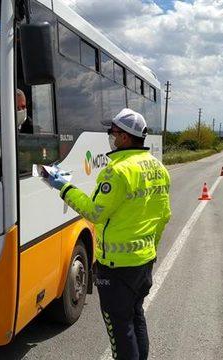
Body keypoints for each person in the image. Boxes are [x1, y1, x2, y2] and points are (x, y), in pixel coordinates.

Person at [48, 108, 171, 360]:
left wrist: (64, 187)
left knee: (119, 327)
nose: (110, 137)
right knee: (136, 316)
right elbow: (164, 216)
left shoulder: (117, 171)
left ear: (124, 137)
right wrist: (150, 249)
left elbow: (95, 213)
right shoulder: (159, 168)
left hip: (117, 268)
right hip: (144, 262)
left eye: (112, 132)